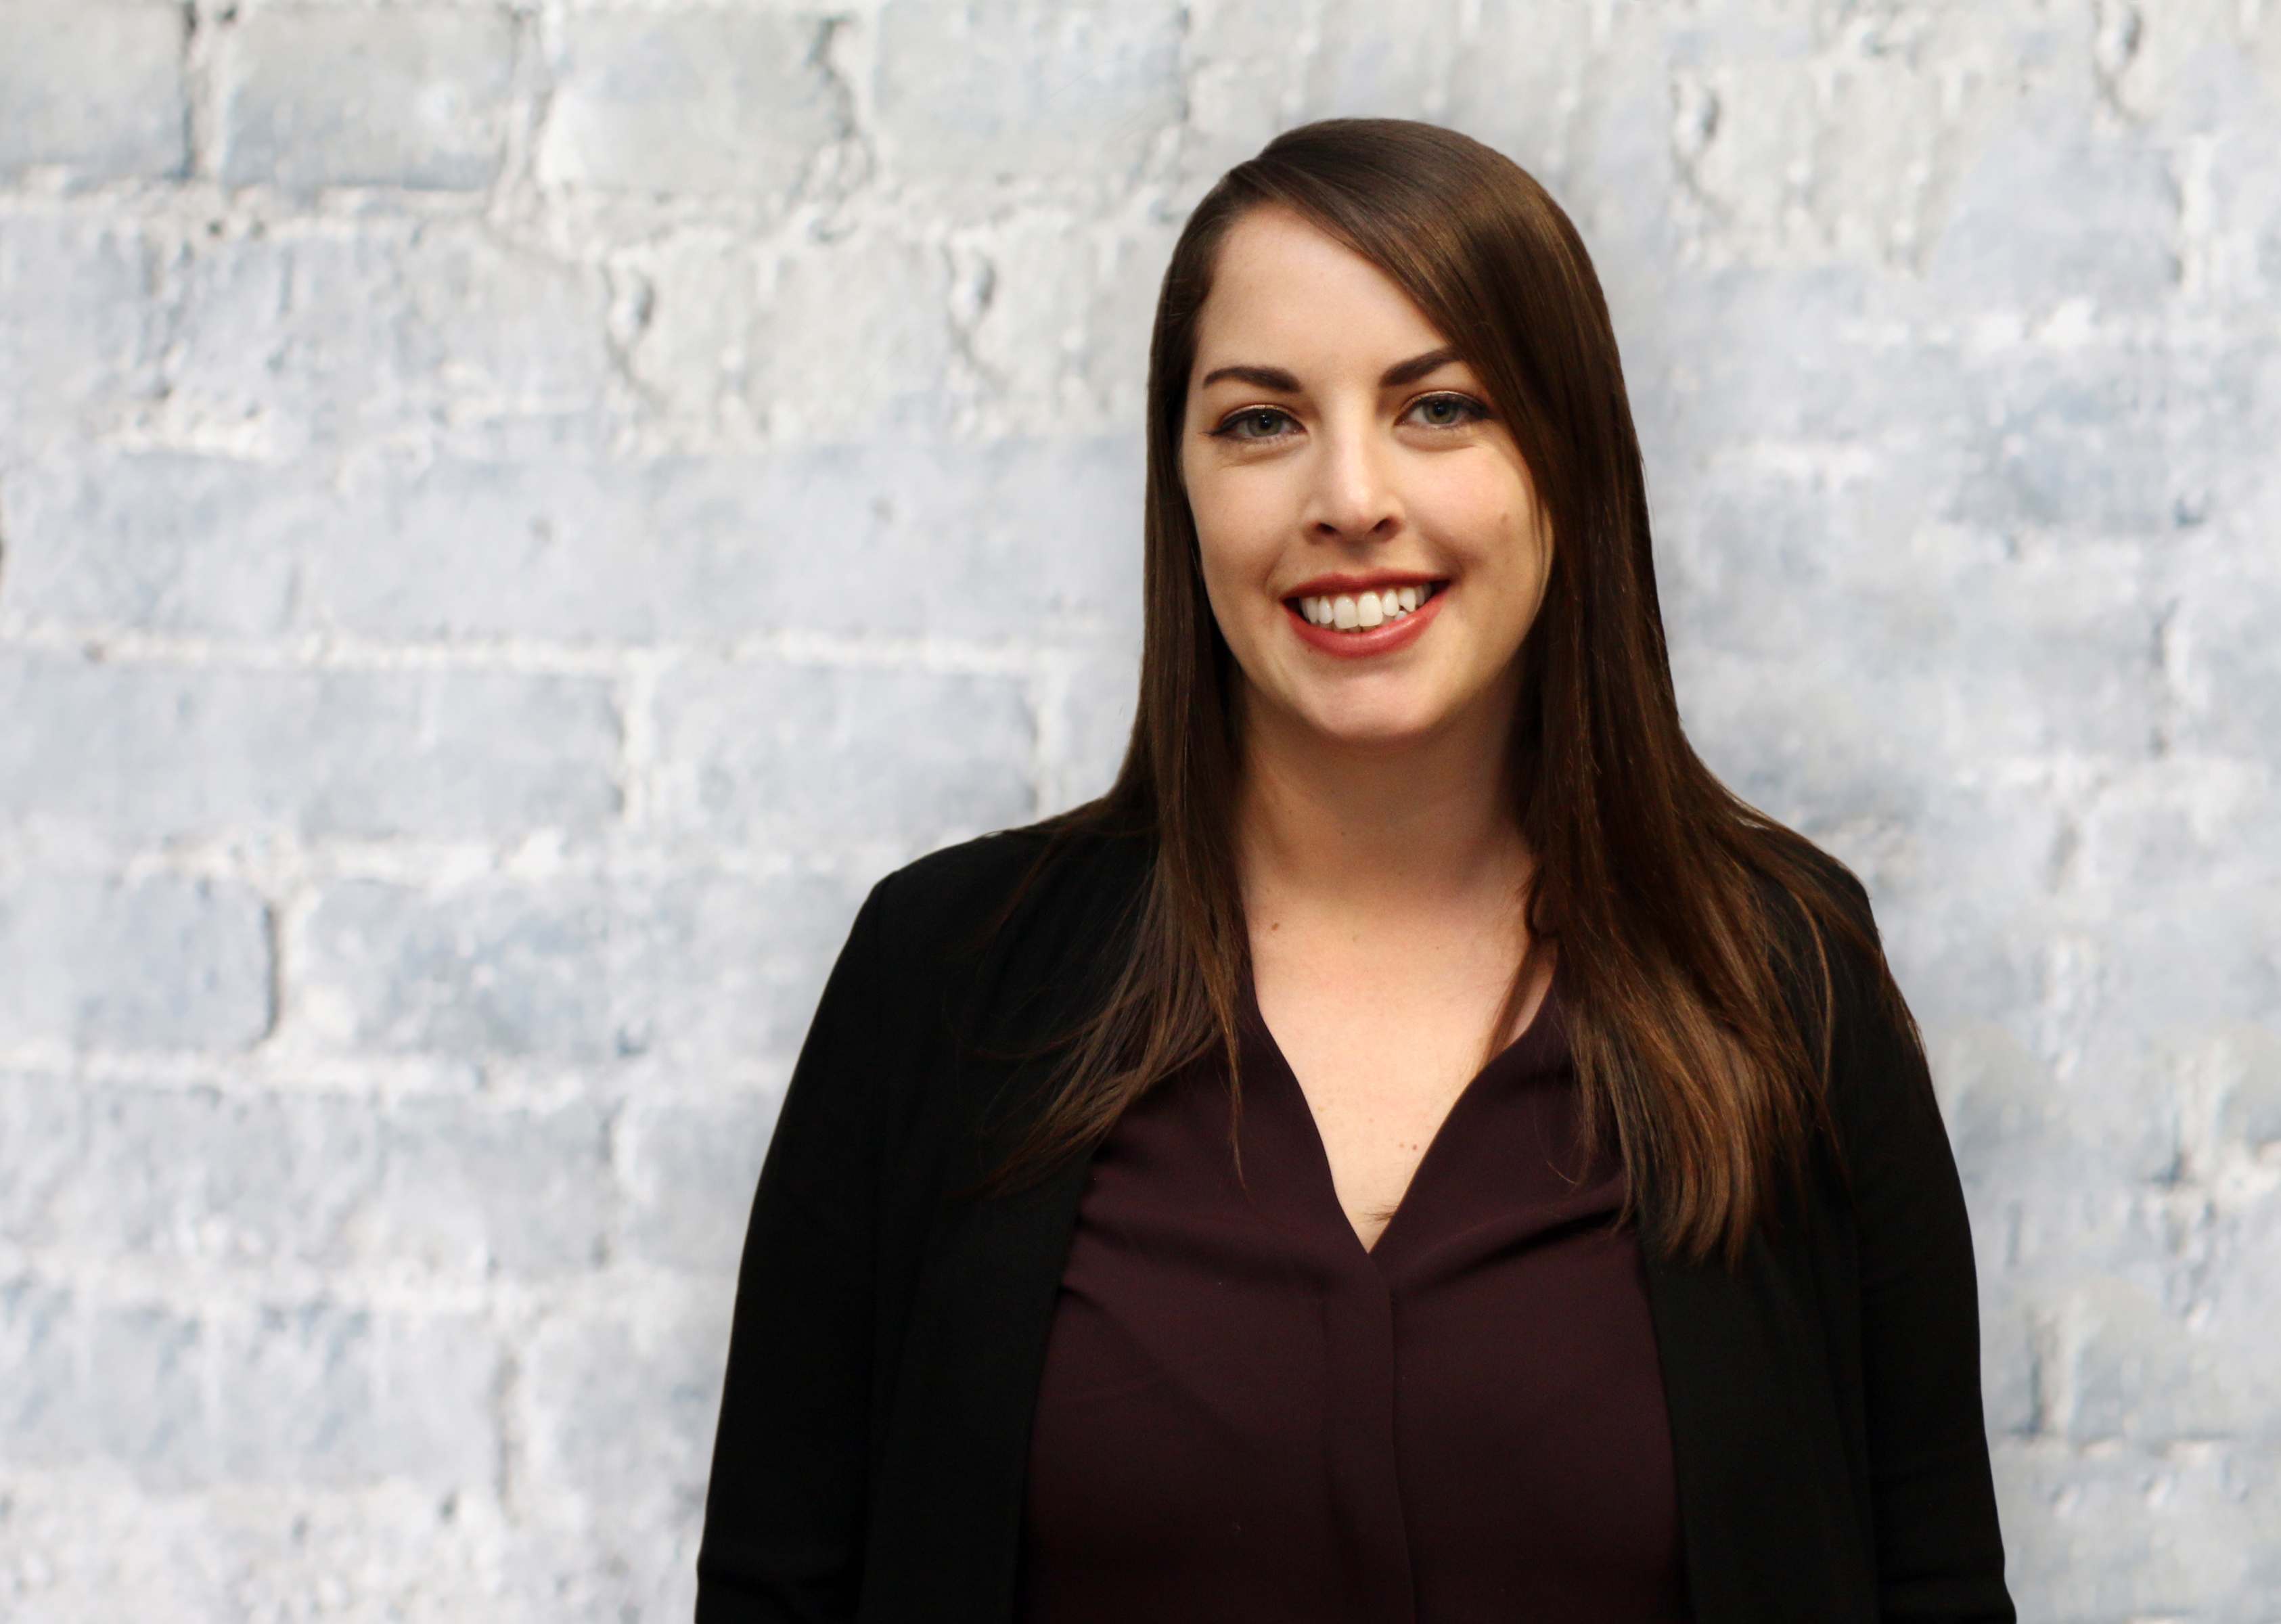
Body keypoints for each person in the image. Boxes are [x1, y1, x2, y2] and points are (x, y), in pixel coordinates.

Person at [695, 118, 2014, 1624]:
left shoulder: (1782, 978)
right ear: (1180, 483)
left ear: (1566, 460)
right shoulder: (942, 977)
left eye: (1440, 408)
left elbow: (1936, 1596)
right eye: (1262, 422)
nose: (1351, 497)